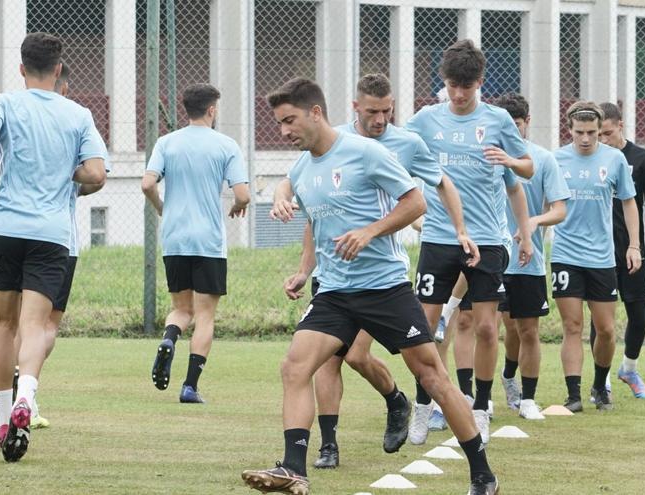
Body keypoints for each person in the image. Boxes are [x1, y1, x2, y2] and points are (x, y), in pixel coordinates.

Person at [242, 77, 499, 495]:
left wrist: (370, 232)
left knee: (432, 377)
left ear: (316, 112)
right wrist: (299, 250)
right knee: (295, 367)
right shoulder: (304, 167)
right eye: (280, 123)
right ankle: (293, 469)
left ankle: (483, 475)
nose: (284, 131)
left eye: (289, 121)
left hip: (385, 289)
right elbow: (313, 218)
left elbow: (416, 201)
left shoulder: (366, 153)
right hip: (335, 294)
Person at [0, 33, 107, 462]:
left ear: (20, 68)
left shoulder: (5, 102)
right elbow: (96, 174)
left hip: (6, 226)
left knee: (3, 325)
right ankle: (26, 397)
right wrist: (64, 179)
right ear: (58, 69)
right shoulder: (78, 114)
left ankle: (1, 416)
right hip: (51, 232)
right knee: (35, 326)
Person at [406, 38, 534, 446]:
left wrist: (511, 161)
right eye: (452, 86)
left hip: (489, 242)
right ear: (443, 81)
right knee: (424, 328)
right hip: (439, 239)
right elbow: (392, 148)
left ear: (480, 82)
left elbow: (527, 169)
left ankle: (480, 406)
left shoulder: (497, 120)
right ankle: (423, 403)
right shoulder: (426, 119)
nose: (459, 95)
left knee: (485, 327)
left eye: (468, 86)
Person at [143, 83, 250, 404]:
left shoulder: (166, 142)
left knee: (180, 309)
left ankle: (168, 338)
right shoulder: (226, 145)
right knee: (205, 316)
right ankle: (189, 386)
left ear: (185, 109)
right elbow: (243, 193)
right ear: (212, 110)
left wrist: (164, 209)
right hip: (208, 241)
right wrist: (236, 205)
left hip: (175, 238)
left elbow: (147, 183)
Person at [551, 101, 640, 413]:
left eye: (592, 133)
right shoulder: (557, 159)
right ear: (570, 130)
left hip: (601, 257)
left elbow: (630, 203)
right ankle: (573, 394)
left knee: (605, 329)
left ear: (600, 132)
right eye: (579, 132)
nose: (586, 138)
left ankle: (600, 385)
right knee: (572, 325)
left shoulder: (614, 160)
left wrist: (634, 245)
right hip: (565, 253)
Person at [591, 101, 645, 400]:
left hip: (631, 249)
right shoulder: (590, 158)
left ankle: (629, 368)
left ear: (620, 126)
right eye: (598, 135)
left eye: (607, 134)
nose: (602, 140)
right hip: (597, 250)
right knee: (601, 320)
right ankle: (601, 380)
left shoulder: (641, 159)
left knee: (639, 314)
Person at [492, 93, 570, 420]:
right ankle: (480, 396)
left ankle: (527, 398)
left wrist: (532, 222)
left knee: (527, 331)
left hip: (528, 261)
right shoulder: (488, 158)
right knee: (490, 328)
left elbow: (560, 210)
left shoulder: (542, 160)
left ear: (527, 123)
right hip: (491, 260)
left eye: (518, 125)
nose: (512, 132)